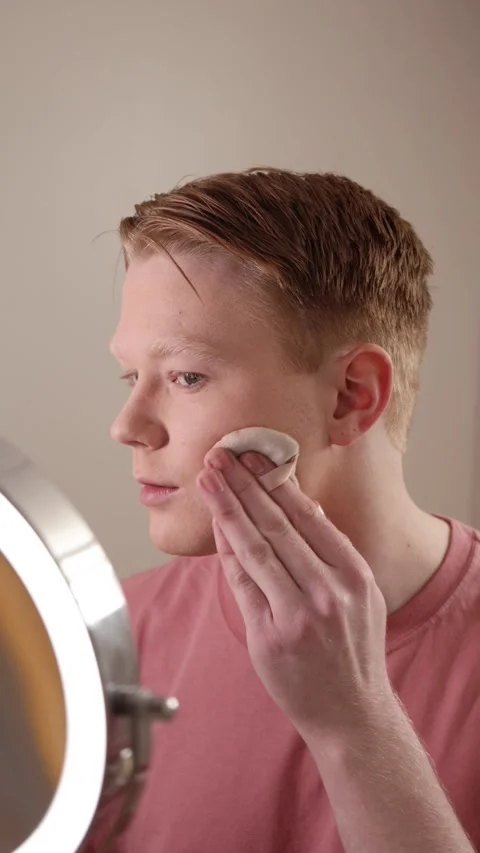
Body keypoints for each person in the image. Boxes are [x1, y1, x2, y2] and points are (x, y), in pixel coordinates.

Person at [85, 169, 480, 853]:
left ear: (352, 396)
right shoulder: (107, 647)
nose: (129, 425)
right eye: (131, 377)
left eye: (185, 376)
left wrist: (354, 720)